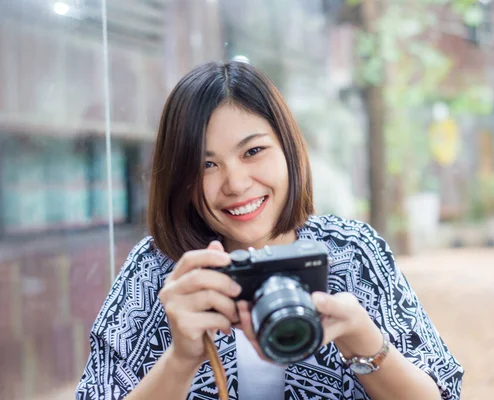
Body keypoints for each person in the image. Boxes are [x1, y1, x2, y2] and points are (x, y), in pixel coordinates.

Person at [76, 61, 463, 400]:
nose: (236, 183)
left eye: (253, 151)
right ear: (182, 180)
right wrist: (180, 360)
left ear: (289, 149)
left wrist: (364, 340)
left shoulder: (352, 252)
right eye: (206, 165)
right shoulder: (157, 272)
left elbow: (442, 394)